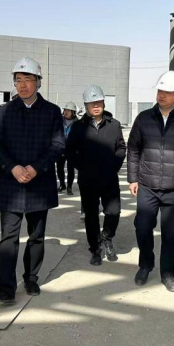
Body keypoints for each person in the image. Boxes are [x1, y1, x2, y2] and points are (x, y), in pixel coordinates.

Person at [0, 57, 66, 306]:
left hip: (39, 184)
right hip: (11, 184)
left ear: (38, 82)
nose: (22, 85)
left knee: (36, 236)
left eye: (27, 80)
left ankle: (31, 278)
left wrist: (35, 168)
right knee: (8, 238)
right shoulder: (6, 111)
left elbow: (58, 145)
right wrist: (12, 167)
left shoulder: (52, 112)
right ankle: (6, 289)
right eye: (18, 80)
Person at [127, 71, 174, 292]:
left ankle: (168, 274)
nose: (161, 95)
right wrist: (133, 178)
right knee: (142, 227)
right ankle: (145, 264)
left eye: (167, 92)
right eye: (160, 91)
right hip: (147, 185)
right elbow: (133, 150)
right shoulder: (143, 118)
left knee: (170, 234)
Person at [67, 84, 126, 266]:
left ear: (104, 102)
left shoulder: (114, 125)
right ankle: (95, 248)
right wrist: (82, 167)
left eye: (99, 102)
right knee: (91, 215)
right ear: (85, 105)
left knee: (113, 211)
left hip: (109, 178)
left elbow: (121, 147)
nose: (96, 106)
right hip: (88, 180)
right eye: (92, 103)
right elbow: (70, 151)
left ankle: (107, 238)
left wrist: (114, 166)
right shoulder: (78, 127)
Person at [57, 102, 78, 195]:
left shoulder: (77, 123)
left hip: (71, 148)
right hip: (61, 147)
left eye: (68, 110)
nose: (66, 112)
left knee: (70, 168)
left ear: (73, 112)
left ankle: (69, 187)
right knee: (59, 167)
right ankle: (62, 184)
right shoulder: (59, 121)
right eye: (65, 110)